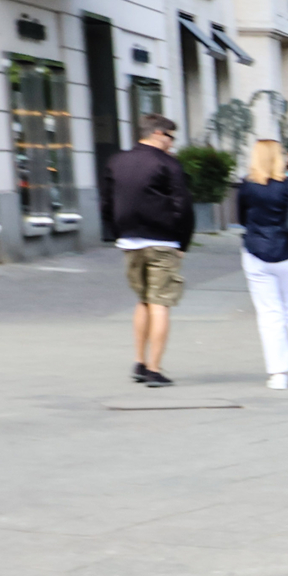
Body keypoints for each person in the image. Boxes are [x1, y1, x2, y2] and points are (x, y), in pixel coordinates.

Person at [105, 113, 193, 389]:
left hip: (130, 241)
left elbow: (106, 202)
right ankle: (154, 369)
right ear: (158, 133)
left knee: (143, 300)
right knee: (160, 303)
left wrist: (117, 233)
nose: (171, 143)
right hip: (162, 242)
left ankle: (139, 362)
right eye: (170, 137)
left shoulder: (117, 161)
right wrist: (183, 242)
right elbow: (183, 206)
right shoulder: (168, 164)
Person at [235, 140, 288, 388]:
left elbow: (241, 218)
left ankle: (278, 373)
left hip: (255, 251)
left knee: (269, 314)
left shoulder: (246, 187)